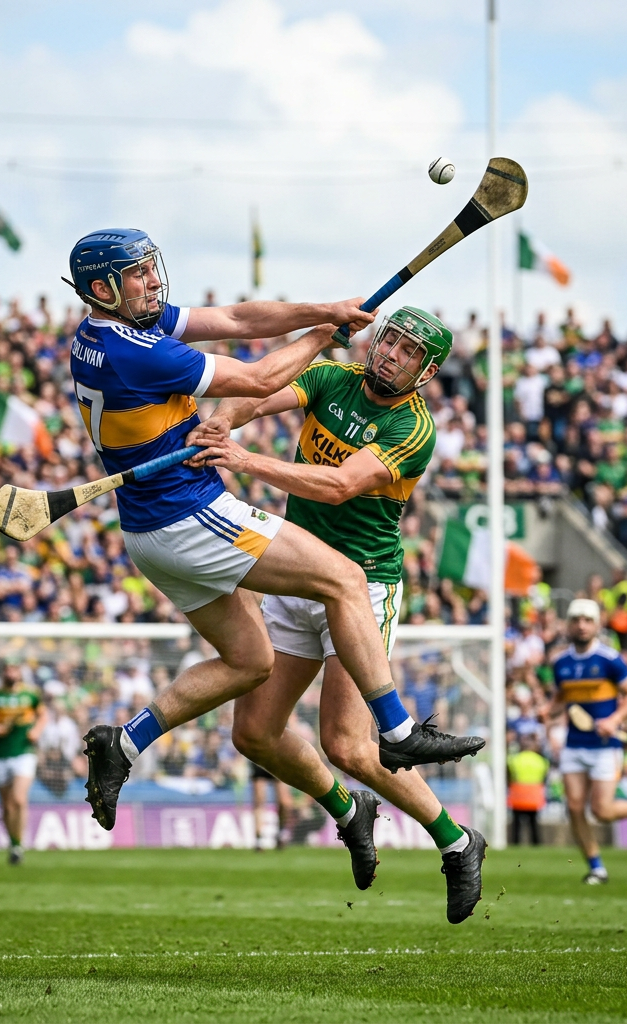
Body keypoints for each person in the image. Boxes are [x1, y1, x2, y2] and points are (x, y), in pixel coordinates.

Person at [69, 231, 484, 838]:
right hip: (188, 513)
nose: (154, 281)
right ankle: (399, 731)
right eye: (137, 275)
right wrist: (319, 337)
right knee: (344, 578)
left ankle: (124, 744)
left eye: (151, 268)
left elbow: (237, 317)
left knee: (249, 661)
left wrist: (325, 313)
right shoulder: (142, 351)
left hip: (148, 533)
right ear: (103, 289)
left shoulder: (107, 334)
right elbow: (261, 380)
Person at [189, 307, 486, 922]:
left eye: (408, 352)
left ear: (426, 372)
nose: (392, 353)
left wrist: (243, 462)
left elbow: (337, 486)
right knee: (253, 734)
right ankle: (350, 812)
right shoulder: (329, 377)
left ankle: (457, 842)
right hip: (298, 574)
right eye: (390, 340)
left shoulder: (413, 428)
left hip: (361, 588)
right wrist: (222, 423)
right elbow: (260, 395)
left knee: (349, 745)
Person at [548, 599, 627, 884]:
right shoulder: (561, 663)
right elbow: (562, 699)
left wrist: (614, 719)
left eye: (588, 620)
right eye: (576, 620)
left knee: (602, 810)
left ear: (597, 624)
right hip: (574, 744)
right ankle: (596, 867)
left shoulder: (609, 659)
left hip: (604, 747)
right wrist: (548, 712)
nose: (582, 625)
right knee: (574, 808)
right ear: (569, 624)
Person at [0, 663, 45, 865]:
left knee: (19, 799)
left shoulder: (30, 695)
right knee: (6, 806)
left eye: (15, 669)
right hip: (0, 753)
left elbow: (43, 715)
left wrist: (37, 731)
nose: (11, 673)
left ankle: (19, 844)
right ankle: (14, 844)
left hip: (24, 752)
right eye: (8, 669)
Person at [508, 731, 548, 846]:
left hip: (518, 796)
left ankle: (515, 844)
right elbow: (544, 777)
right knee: (534, 824)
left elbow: (510, 775)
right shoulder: (541, 761)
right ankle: (536, 844)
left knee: (516, 825)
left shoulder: (514, 759)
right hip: (534, 797)